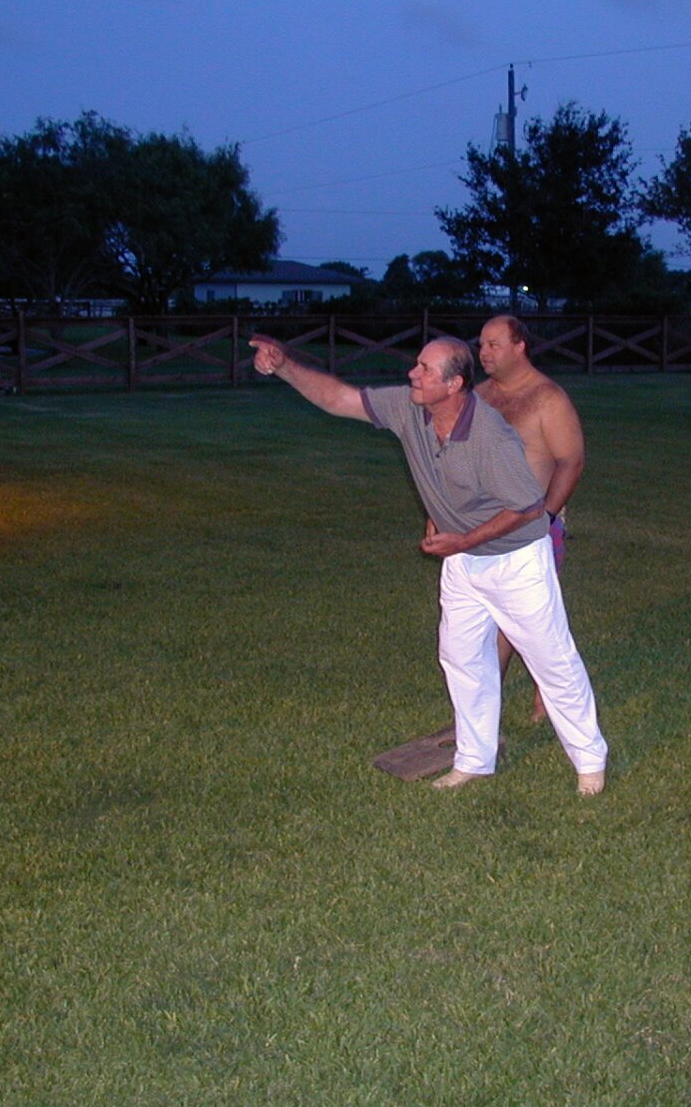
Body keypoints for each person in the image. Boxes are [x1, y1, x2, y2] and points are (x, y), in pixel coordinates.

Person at [250, 333, 608, 796]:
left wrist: (463, 539)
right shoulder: (409, 409)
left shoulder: (490, 434)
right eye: (416, 364)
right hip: (462, 562)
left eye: (424, 369)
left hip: (516, 561)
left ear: (454, 384)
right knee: (461, 657)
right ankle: (474, 760)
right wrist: (284, 365)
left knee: (552, 661)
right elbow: (339, 398)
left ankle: (590, 763)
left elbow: (527, 508)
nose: (412, 374)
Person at [474, 315, 586, 723]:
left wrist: (547, 517)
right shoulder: (479, 395)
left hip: (532, 527)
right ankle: (482, 707)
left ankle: (551, 695)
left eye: (494, 344)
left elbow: (571, 461)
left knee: (526, 621)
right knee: (486, 619)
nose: (483, 352)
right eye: (481, 345)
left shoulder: (547, 398)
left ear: (519, 346)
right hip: (481, 527)